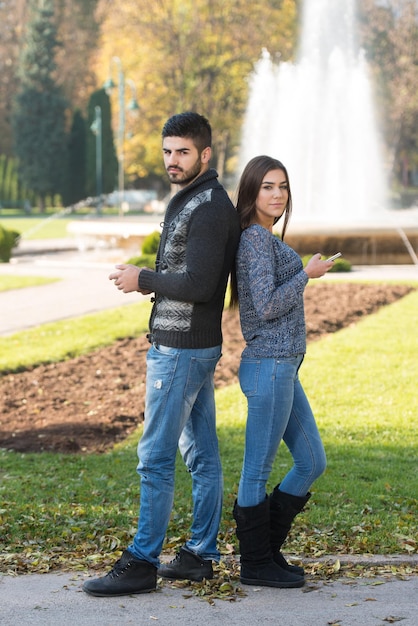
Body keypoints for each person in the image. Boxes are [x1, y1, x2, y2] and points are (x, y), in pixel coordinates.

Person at [83, 112, 240, 597]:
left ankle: (143, 561)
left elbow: (200, 283)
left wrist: (141, 280)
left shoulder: (210, 207)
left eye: (184, 152)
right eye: (168, 151)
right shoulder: (194, 198)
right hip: (187, 347)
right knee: (202, 455)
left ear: (206, 155)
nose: (173, 160)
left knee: (155, 456)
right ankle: (199, 554)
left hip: (181, 351)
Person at [230, 155, 333, 589]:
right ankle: (255, 563)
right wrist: (306, 275)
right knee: (256, 471)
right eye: (268, 186)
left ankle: (267, 552)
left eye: (283, 187)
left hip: (283, 369)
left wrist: (304, 273)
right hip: (268, 366)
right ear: (252, 192)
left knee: (311, 461)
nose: (277, 194)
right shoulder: (255, 239)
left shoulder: (265, 238)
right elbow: (267, 306)